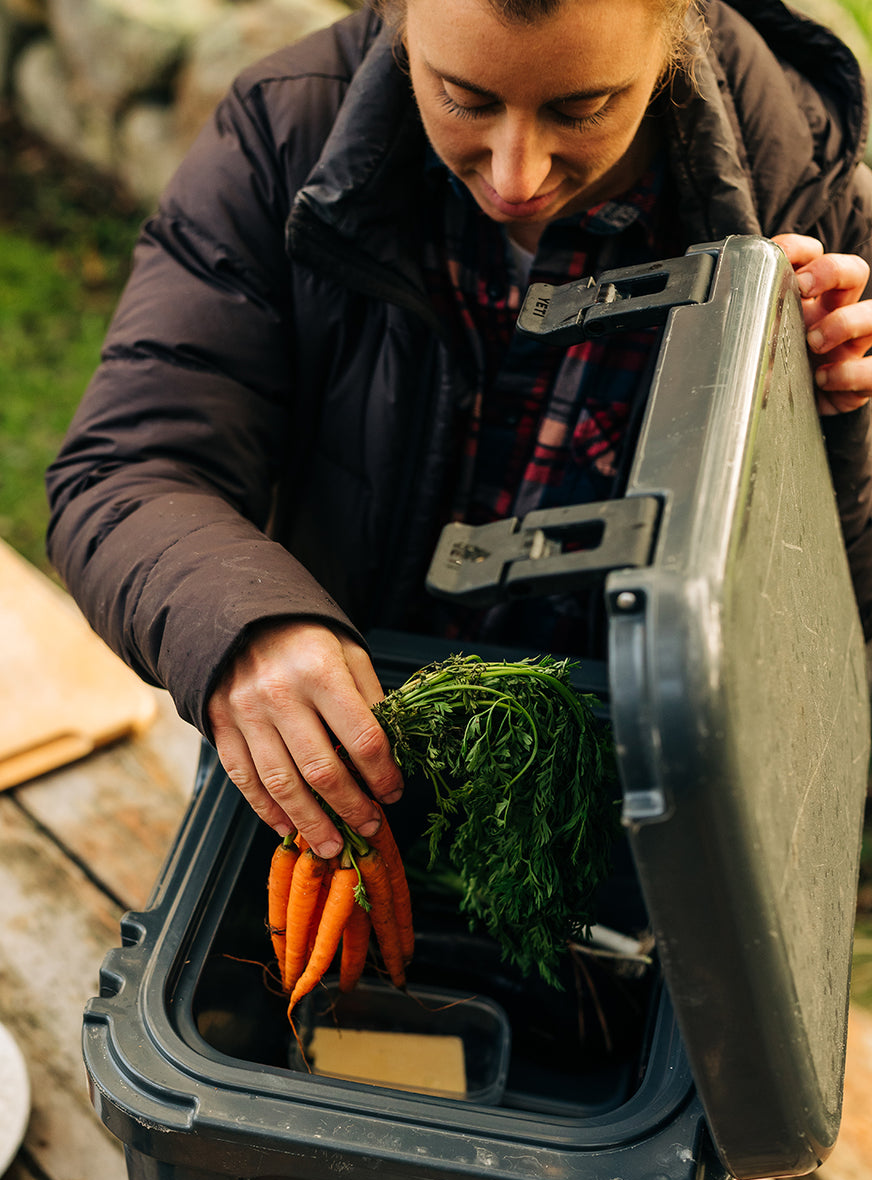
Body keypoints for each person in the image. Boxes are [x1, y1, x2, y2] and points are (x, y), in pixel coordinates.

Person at [46, 0, 872, 861]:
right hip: (342, 790)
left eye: (581, 108)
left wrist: (826, 434)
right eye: (464, 100)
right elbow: (125, 469)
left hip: (642, 836)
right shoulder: (289, 129)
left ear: (679, 28)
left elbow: (837, 639)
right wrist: (245, 628)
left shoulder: (811, 199)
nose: (517, 176)